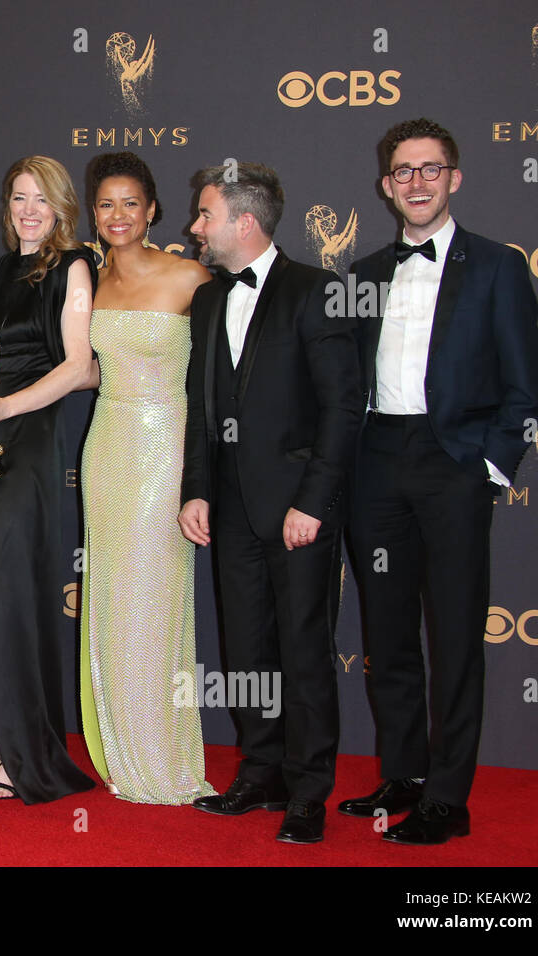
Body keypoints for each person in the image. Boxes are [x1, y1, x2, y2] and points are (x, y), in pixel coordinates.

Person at [340, 119, 538, 845]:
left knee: (454, 635)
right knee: (388, 632)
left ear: (454, 178)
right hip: (377, 462)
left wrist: (488, 470)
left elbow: (525, 388)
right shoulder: (363, 274)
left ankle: (447, 800)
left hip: (452, 462)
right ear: (385, 184)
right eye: (403, 171)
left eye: (430, 169)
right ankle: (403, 774)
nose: (417, 183)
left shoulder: (496, 267)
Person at [178, 162, 360, 843]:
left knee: (304, 648)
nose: (195, 227)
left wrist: (313, 500)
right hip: (230, 507)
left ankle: (309, 787)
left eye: (204, 215)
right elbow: (201, 407)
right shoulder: (206, 298)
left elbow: (343, 408)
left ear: (243, 222)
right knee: (246, 648)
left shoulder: (318, 291)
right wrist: (197, 488)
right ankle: (260, 772)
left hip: (297, 511)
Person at [0, 156, 97, 803]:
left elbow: (78, 365)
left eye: (41, 198)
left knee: (10, 593)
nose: (29, 209)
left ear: (62, 207)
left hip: (29, 438)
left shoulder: (73, 267)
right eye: (18, 197)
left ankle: (25, 752)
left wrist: (6, 406)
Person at [78, 152, 214, 804]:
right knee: (110, 596)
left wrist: (202, 474)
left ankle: (161, 753)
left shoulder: (189, 277)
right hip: (107, 447)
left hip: (169, 452)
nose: (119, 215)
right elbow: (81, 368)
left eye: (131, 203)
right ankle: (119, 743)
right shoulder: (90, 282)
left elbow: (221, 378)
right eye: (106, 204)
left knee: (155, 602)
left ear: (153, 209)